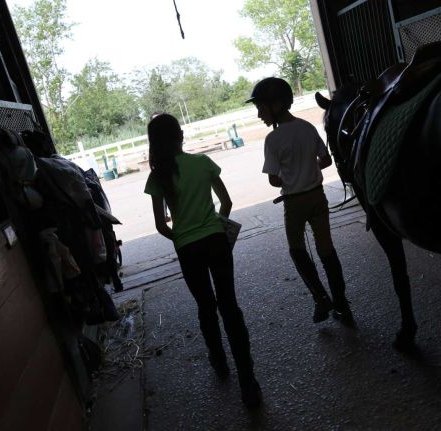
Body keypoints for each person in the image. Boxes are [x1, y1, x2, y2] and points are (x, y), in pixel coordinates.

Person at [144, 113, 261, 408]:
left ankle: (218, 361)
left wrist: (182, 238)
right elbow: (227, 202)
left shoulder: (157, 176)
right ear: (180, 135)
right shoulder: (202, 164)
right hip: (216, 241)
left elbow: (160, 225)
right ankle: (248, 382)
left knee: (206, 306)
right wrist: (217, 226)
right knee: (229, 306)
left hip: (187, 248)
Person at [246, 77, 354, 325]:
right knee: (326, 250)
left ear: (277, 105)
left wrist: (290, 176)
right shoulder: (307, 127)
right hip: (318, 197)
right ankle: (341, 303)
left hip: (294, 203)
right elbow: (325, 161)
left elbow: (274, 180)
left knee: (297, 250)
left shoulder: (272, 140)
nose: (259, 114)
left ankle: (320, 298)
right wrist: (308, 169)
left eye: (261, 108)